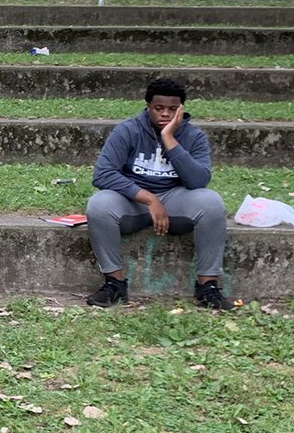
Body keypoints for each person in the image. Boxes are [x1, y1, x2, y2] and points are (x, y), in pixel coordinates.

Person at [84, 77, 237, 310]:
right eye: (159, 108)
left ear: (181, 110)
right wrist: (149, 198)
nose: (165, 114)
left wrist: (169, 138)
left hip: (176, 200)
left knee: (212, 203)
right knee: (98, 205)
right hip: (133, 202)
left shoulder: (194, 137)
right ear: (148, 107)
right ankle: (114, 283)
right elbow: (103, 174)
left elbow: (199, 180)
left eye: (172, 109)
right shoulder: (127, 130)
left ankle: (208, 287)